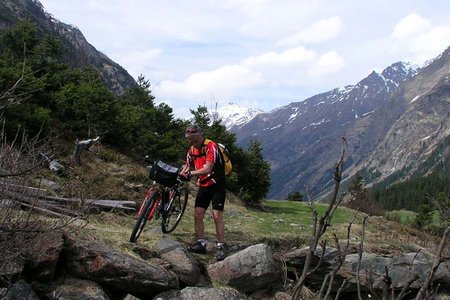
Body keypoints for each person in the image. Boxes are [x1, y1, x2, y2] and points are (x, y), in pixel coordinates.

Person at [180, 125, 226, 261]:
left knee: (217, 215)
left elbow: (207, 168)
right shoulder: (191, 150)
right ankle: (200, 243)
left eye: (193, 137)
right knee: (198, 215)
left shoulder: (211, 146)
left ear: (200, 134)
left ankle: (220, 246)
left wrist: (190, 174)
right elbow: (187, 165)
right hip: (204, 185)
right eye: (189, 138)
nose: (191, 140)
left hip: (217, 185)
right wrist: (182, 172)